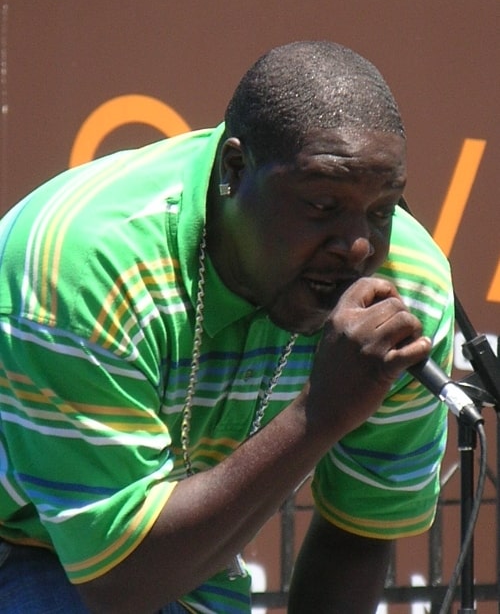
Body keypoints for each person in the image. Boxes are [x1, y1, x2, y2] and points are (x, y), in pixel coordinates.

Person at [0, 40, 454, 614]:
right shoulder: (84, 264)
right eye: (321, 205)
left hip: (177, 568)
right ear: (235, 170)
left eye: (383, 209)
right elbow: (116, 582)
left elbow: (359, 533)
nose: (359, 245)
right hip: (26, 542)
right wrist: (322, 412)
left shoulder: (406, 289)